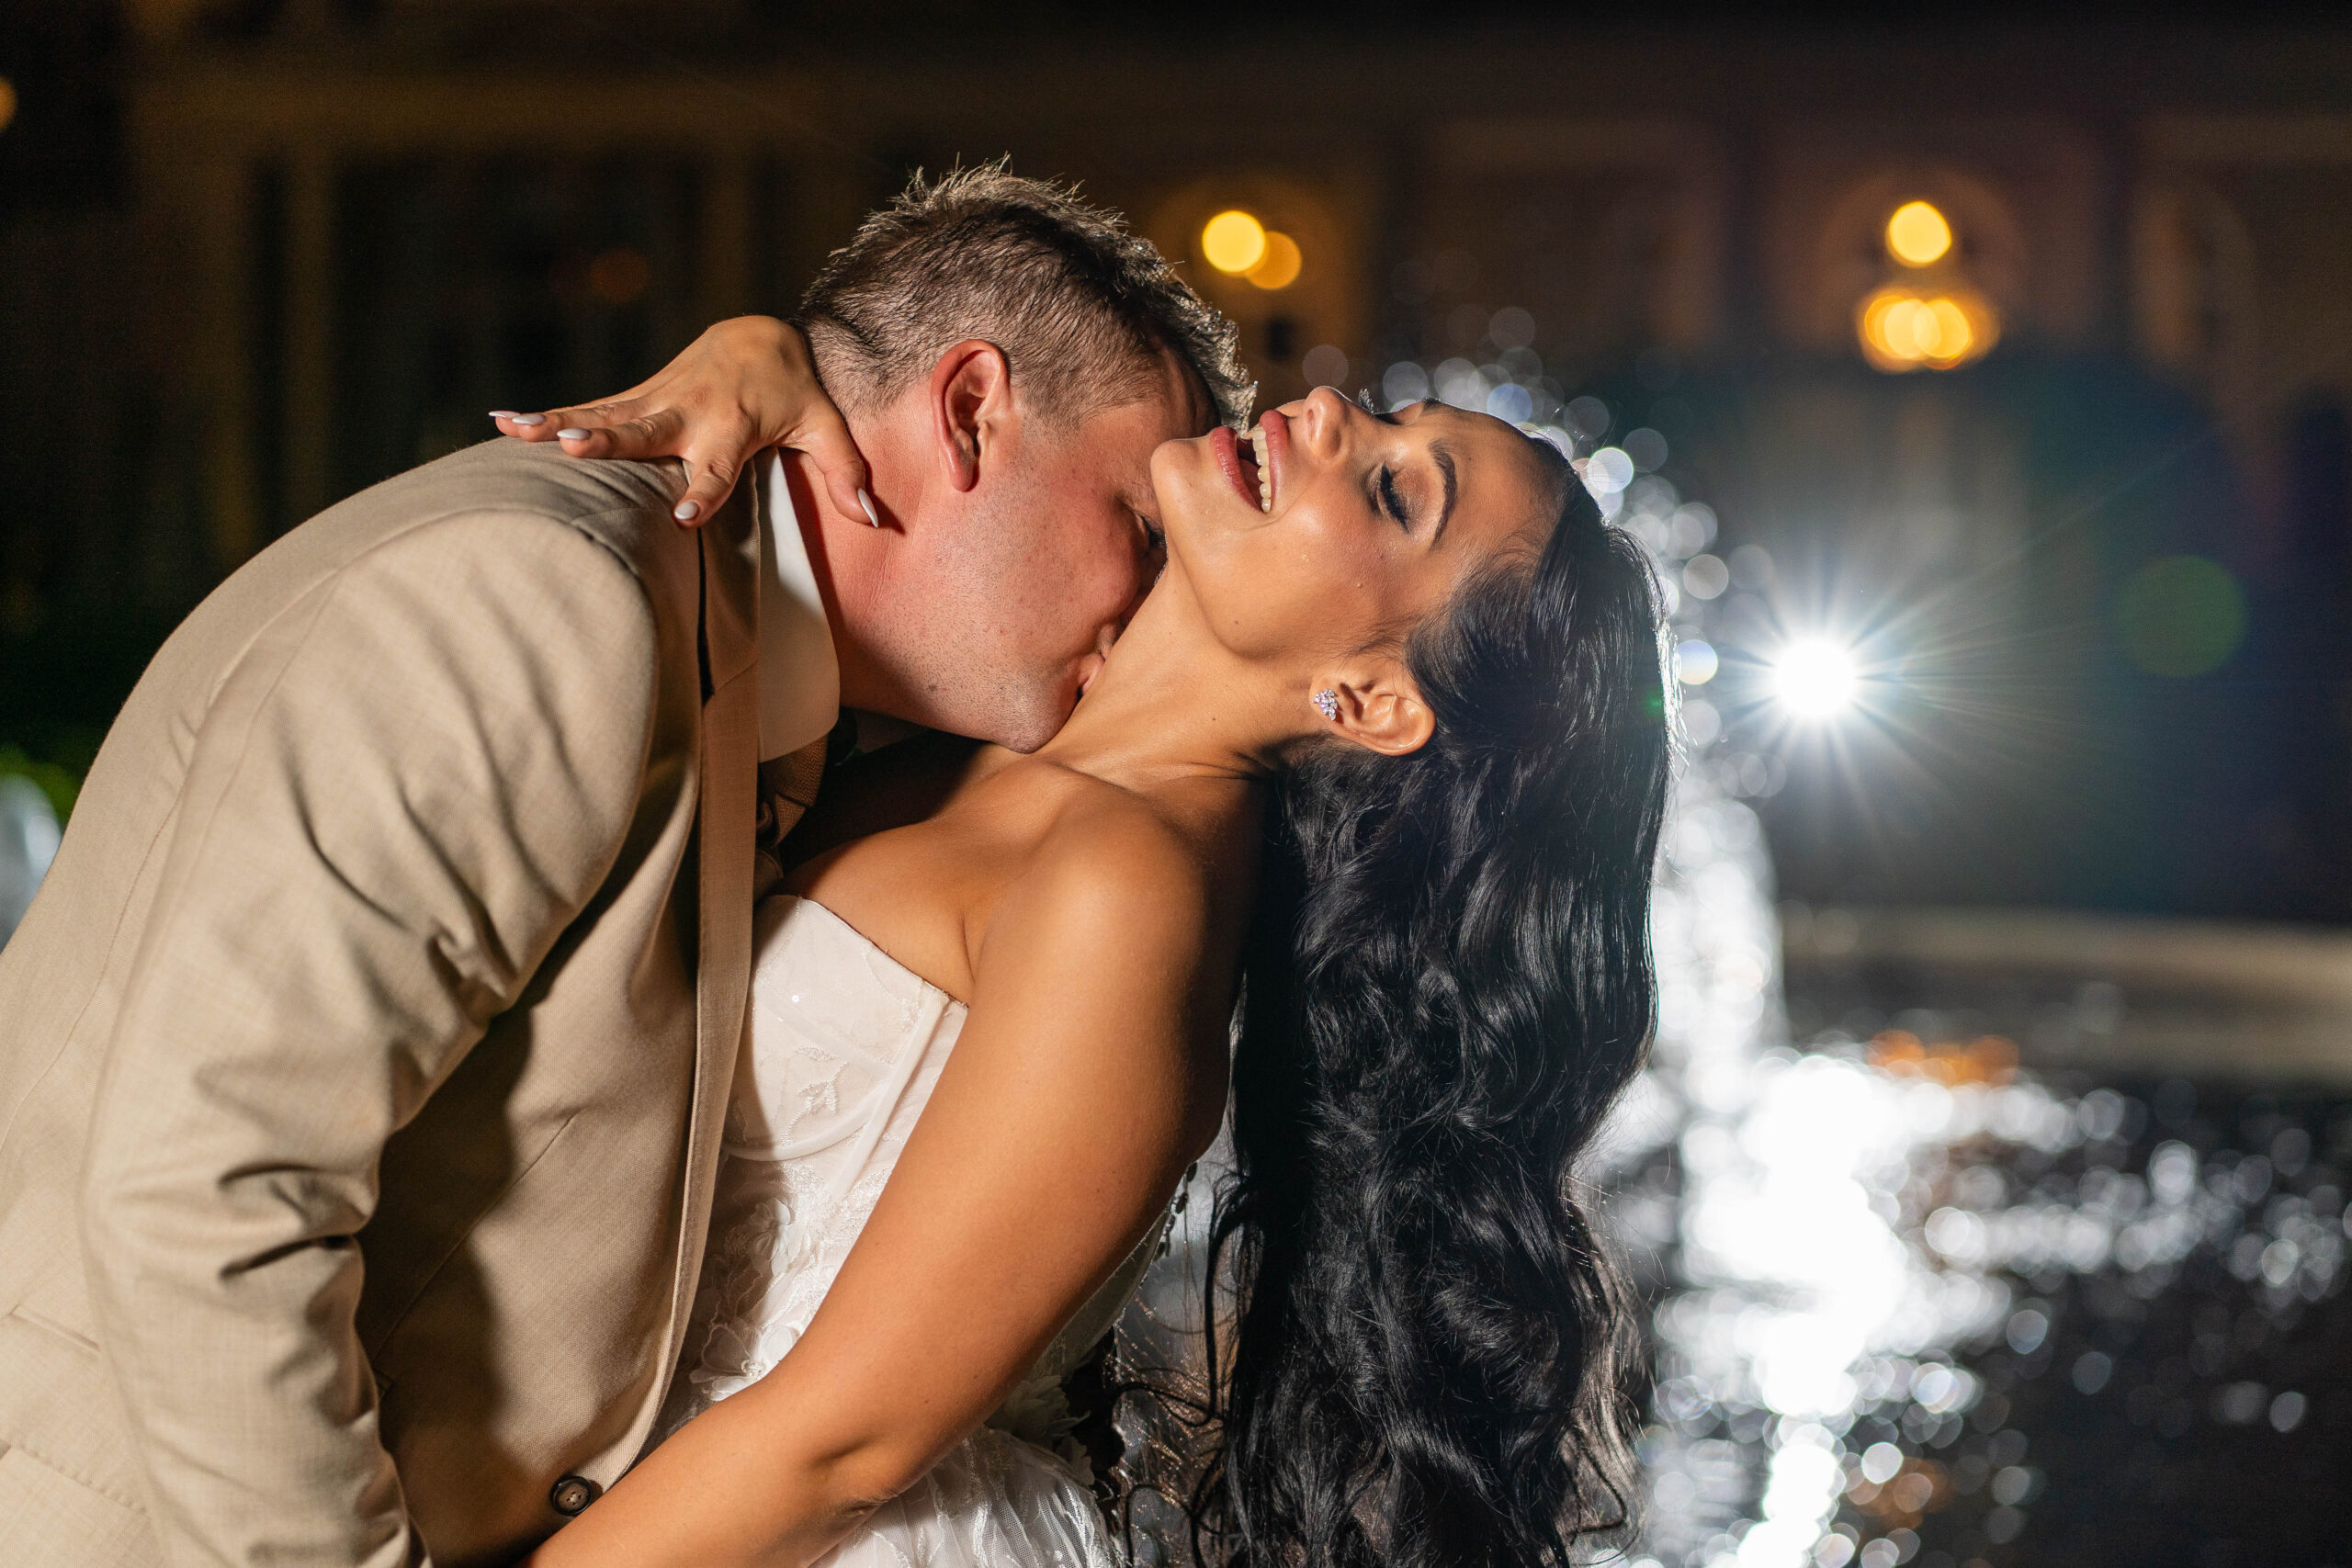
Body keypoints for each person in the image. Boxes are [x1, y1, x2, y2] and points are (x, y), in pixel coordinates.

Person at [0, 169, 1245, 1568]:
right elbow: (207, 1190)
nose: (1149, 596)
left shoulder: (785, 688)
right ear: (969, 412)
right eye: (1137, 524)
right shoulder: (553, 599)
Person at [502, 335, 1672, 1565]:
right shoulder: (1010, 732)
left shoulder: (1134, 887)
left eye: (1391, 493)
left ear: (1374, 700)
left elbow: (843, 1446)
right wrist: (772, 359)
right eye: (1385, 419)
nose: (1330, 411)